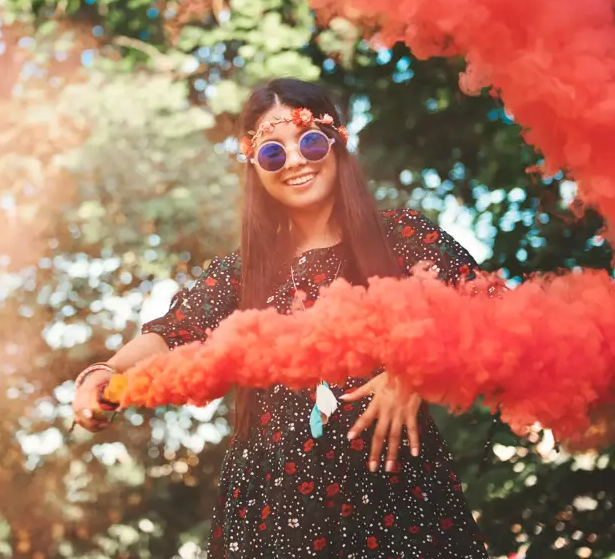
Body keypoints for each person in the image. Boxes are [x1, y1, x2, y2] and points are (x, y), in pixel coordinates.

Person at [72, 78, 489, 558]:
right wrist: (107, 372)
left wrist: (413, 370)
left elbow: (489, 313)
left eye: (309, 142)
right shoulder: (240, 274)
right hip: (273, 516)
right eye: (273, 152)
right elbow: (172, 333)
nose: (293, 162)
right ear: (255, 164)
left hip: (399, 507)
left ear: (337, 144)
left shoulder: (403, 236)